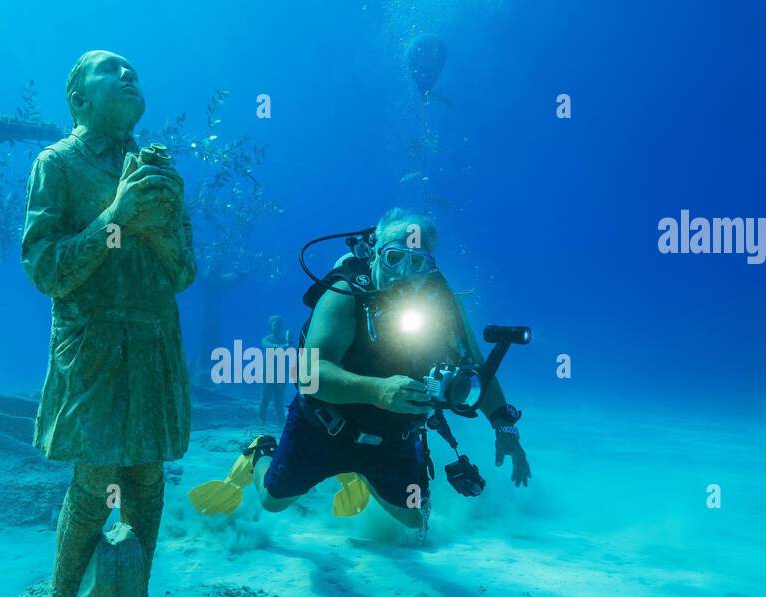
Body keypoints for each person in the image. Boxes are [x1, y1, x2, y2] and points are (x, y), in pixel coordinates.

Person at [188, 208, 529, 535]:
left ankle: (361, 473)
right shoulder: (346, 293)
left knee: (415, 522)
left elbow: (477, 369)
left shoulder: (444, 306)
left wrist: (504, 426)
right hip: (324, 426)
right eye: (394, 258)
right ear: (375, 252)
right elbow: (309, 374)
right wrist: (376, 391)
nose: (403, 274)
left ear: (429, 268)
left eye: (416, 262)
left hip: (393, 435)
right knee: (272, 500)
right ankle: (261, 451)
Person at [21, 50, 195, 597]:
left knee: (146, 476)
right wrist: (117, 218)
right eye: (109, 69)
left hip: (153, 343)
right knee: (96, 478)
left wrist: (158, 226)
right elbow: (46, 270)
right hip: (92, 345)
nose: (128, 74)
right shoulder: (58, 165)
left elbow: (183, 273)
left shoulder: (160, 172)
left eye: (133, 70)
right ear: (78, 99)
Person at [258, 314, 291, 425]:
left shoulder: (284, 339)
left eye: (278, 325)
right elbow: (268, 345)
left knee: (279, 399)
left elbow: (291, 350)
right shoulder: (266, 339)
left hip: (281, 373)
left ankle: (281, 420)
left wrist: (289, 344)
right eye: (273, 324)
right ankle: (262, 419)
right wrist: (284, 346)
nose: (275, 327)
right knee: (265, 398)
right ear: (270, 326)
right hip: (268, 373)